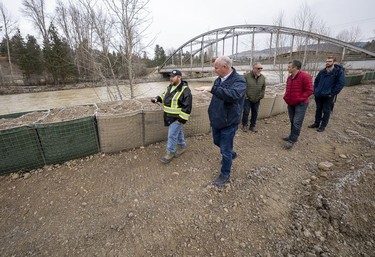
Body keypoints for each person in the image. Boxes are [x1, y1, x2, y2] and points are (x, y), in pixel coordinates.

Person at [196, 56, 246, 186]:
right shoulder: (219, 79)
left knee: (224, 149)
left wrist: (212, 89)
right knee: (216, 141)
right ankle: (231, 153)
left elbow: (233, 95)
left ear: (225, 67)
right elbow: (218, 97)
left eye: (216, 67)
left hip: (229, 121)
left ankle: (225, 174)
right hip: (217, 119)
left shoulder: (239, 81)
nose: (214, 70)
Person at [151, 69, 193, 164]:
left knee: (171, 135)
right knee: (178, 133)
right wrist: (157, 99)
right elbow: (163, 96)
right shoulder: (170, 87)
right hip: (169, 116)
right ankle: (182, 147)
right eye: (170, 77)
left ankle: (170, 152)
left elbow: (187, 107)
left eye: (173, 77)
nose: (171, 78)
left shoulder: (185, 90)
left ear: (179, 77)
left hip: (177, 118)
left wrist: (181, 120)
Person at [308, 56, 345, 132]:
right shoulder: (322, 71)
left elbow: (340, 84)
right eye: (327, 61)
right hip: (319, 94)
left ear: (334, 62)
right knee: (318, 109)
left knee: (326, 110)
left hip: (328, 95)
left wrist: (332, 93)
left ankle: (323, 126)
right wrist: (315, 90)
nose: (327, 63)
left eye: (330, 61)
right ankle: (316, 123)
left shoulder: (338, 72)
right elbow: (316, 81)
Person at [283, 60, 313, 149]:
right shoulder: (289, 78)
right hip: (291, 102)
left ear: (295, 68)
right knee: (292, 121)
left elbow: (310, 90)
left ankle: (292, 140)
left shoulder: (305, 76)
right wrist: (286, 97)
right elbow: (288, 89)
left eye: (289, 67)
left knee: (297, 122)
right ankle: (292, 135)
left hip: (301, 104)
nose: (287, 68)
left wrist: (300, 98)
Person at [241, 62, 266, 132]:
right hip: (247, 98)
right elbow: (242, 86)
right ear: (253, 68)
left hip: (257, 98)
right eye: (258, 68)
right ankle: (244, 125)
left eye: (261, 68)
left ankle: (252, 126)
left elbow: (263, 87)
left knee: (255, 112)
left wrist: (261, 95)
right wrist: (245, 96)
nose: (260, 70)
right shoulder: (246, 76)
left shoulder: (262, 77)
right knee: (246, 112)